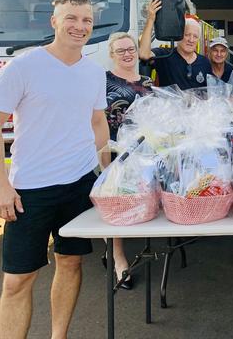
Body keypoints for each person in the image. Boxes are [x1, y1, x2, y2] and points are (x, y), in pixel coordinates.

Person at [0, 0, 109, 339]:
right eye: (71, 18)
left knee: (70, 263)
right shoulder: (24, 66)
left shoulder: (94, 72)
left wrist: (106, 171)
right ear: (54, 21)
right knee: (17, 280)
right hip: (30, 190)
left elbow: (98, 122)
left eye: (86, 20)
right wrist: (1, 184)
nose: (79, 26)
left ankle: (59, 335)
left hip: (79, 184)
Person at [104, 32, 154, 290]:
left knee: (139, 199)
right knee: (116, 204)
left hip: (143, 153)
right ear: (112, 54)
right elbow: (96, 121)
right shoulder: (104, 80)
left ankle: (144, 246)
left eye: (130, 49)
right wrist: (102, 162)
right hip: (114, 151)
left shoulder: (146, 80)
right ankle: (118, 258)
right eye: (121, 50)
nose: (127, 54)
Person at [138, 0, 212, 90]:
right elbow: (144, 54)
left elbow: (209, 93)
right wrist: (150, 19)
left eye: (195, 36)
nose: (191, 40)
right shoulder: (164, 55)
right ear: (178, 35)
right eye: (187, 35)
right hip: (169, 104)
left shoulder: (205, 62)